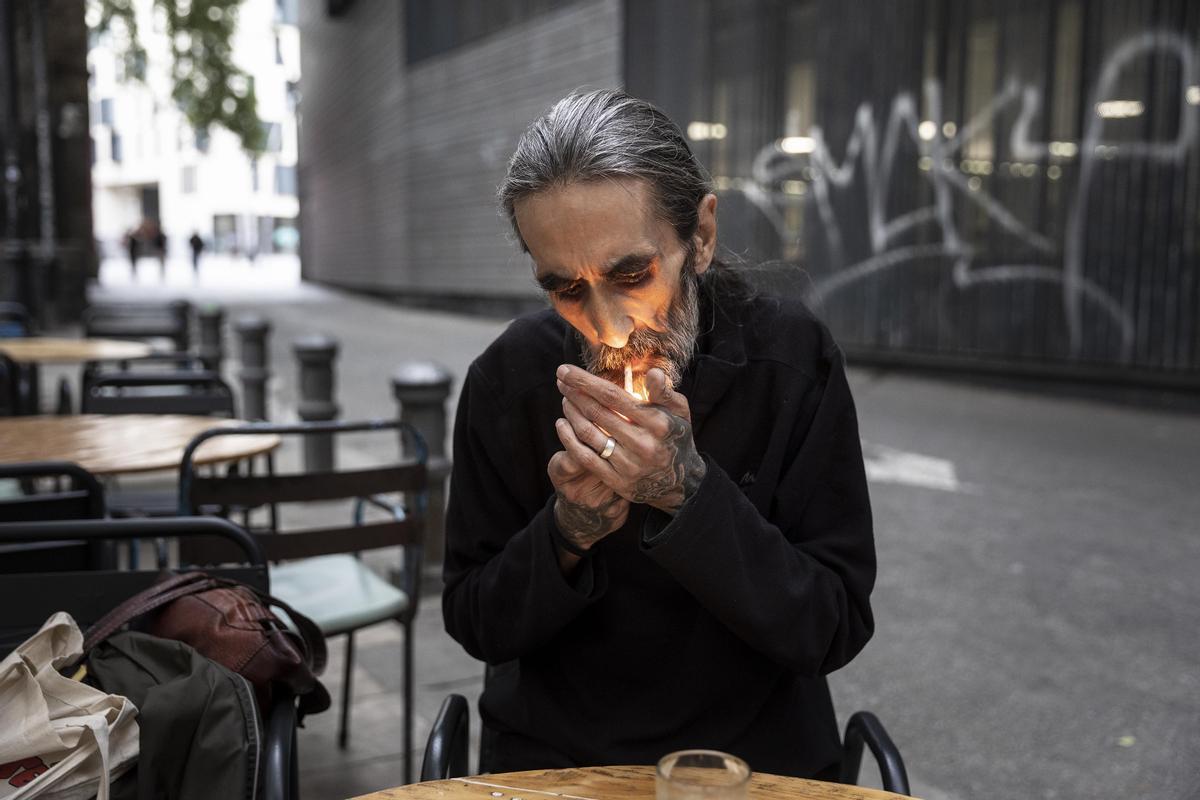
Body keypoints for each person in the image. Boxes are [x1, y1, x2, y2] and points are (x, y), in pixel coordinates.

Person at [443, 89, 876, 780]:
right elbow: (475, 621)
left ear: (700, 237)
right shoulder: (511, 379)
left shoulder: (790, 358)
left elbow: (831, 625)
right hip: (559, 758)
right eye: (566, 289)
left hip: (755, 758)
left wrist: (688, 493)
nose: (609, 327)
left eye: (631, 274)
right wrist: (568, 530)